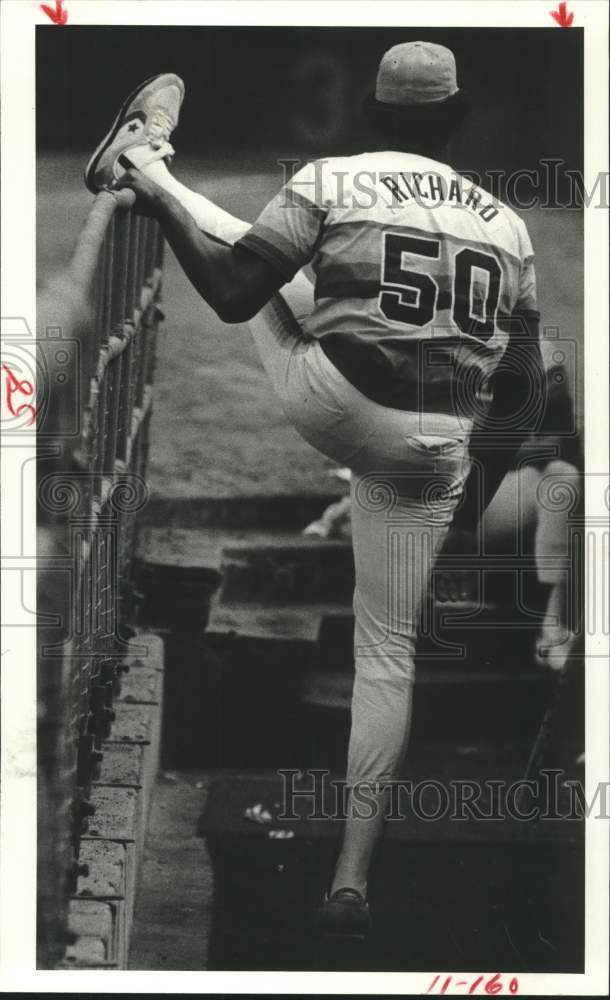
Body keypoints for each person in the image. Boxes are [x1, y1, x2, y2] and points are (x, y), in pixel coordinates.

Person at [85, 44, 546, 938]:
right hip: (442, 445)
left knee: (278, 286)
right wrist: (453, 488)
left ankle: (143, 166)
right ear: (456, 122)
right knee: (389, 655)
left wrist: (165, 211)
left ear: (373, 113)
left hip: (338, 405)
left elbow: (227, 291)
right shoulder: (509, 224)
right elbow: (520, 393)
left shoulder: (335, 177)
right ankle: (350, 882)